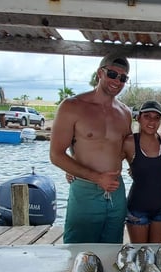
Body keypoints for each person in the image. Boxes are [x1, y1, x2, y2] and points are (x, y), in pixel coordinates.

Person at [50, 53, 132, 244]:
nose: (117, 81)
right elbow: (56, 155)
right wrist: (95, 177)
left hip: (116, 191)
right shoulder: (71, 106)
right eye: (112, 74)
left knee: (113, 253)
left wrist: (159, 179)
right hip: (85, 191)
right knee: (78, 254)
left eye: (123, 78)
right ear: (100, 73)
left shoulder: (125, 112)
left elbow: (126, 152)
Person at [123, 100, 161, 243]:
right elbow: (109, 163)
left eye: (156, 117)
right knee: (141, 254)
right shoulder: (129, 142)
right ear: (138, 118)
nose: (152, 121)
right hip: (137, 209)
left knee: (157, 253)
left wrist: (160, 176)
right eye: (147, 116)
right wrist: (74, 169)